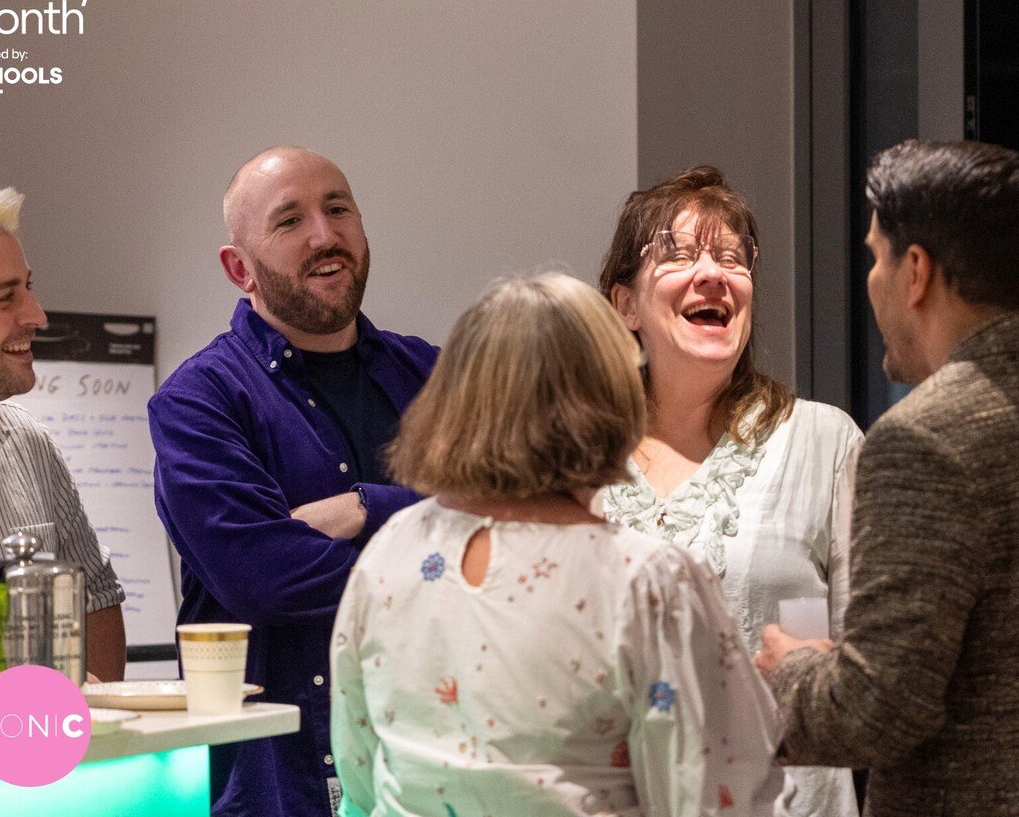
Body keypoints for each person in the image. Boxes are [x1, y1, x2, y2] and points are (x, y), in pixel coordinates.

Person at [331, 272, 789, 817]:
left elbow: (359, 773)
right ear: (612, 401)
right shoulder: (648, 583)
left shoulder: (390, 553)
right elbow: (719, 797)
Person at [149, 147, 437, 817]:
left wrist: (370, 505)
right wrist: (440, 551)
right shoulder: (199, 402)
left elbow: (512, 514)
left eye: (339, 209)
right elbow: (266, 579)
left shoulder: (433, 375)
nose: (325, 234)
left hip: (429, 769)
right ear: (238, 267)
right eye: (290, 221)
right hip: (282, 782)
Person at [756, 139, 1019, 816]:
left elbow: (876, 709)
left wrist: (791, 668)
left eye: (876, 256)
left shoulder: (921, 439)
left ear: (917, 272)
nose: (869, 279)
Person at [597, 166, 861, 817]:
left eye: (733, 259)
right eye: (680, 255)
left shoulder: (821, 442)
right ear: (624, 304)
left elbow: (877, 669)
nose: (713, 274)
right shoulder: (574, 460)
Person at [0, 184, 126, 681]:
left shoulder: (30, 445)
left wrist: (84, 745)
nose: (37, 316)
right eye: (6, 298)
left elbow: (96, 599)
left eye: (28, 287)